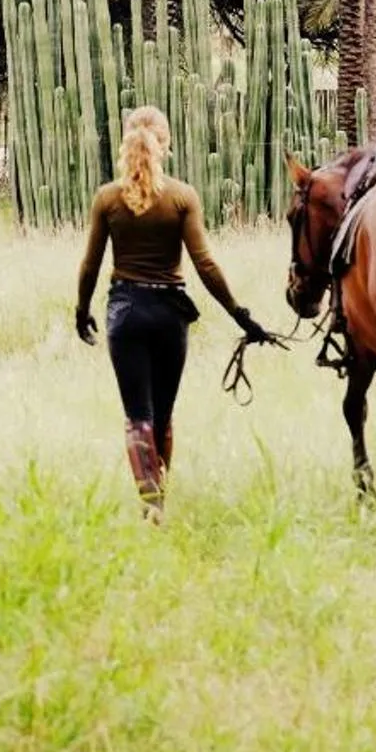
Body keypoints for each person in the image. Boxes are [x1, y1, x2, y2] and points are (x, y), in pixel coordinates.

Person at [75, 106, 278, 516]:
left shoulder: (107, 198)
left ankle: (150, 504)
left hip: (126, 313)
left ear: (125, 140)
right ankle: (158, 500)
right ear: (165, 143)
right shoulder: (183, 197)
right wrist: (239, 313)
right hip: (170, 315)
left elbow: (90, 264)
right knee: (163, 417)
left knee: (138, 418)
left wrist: (81, 311)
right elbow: (205, 264)